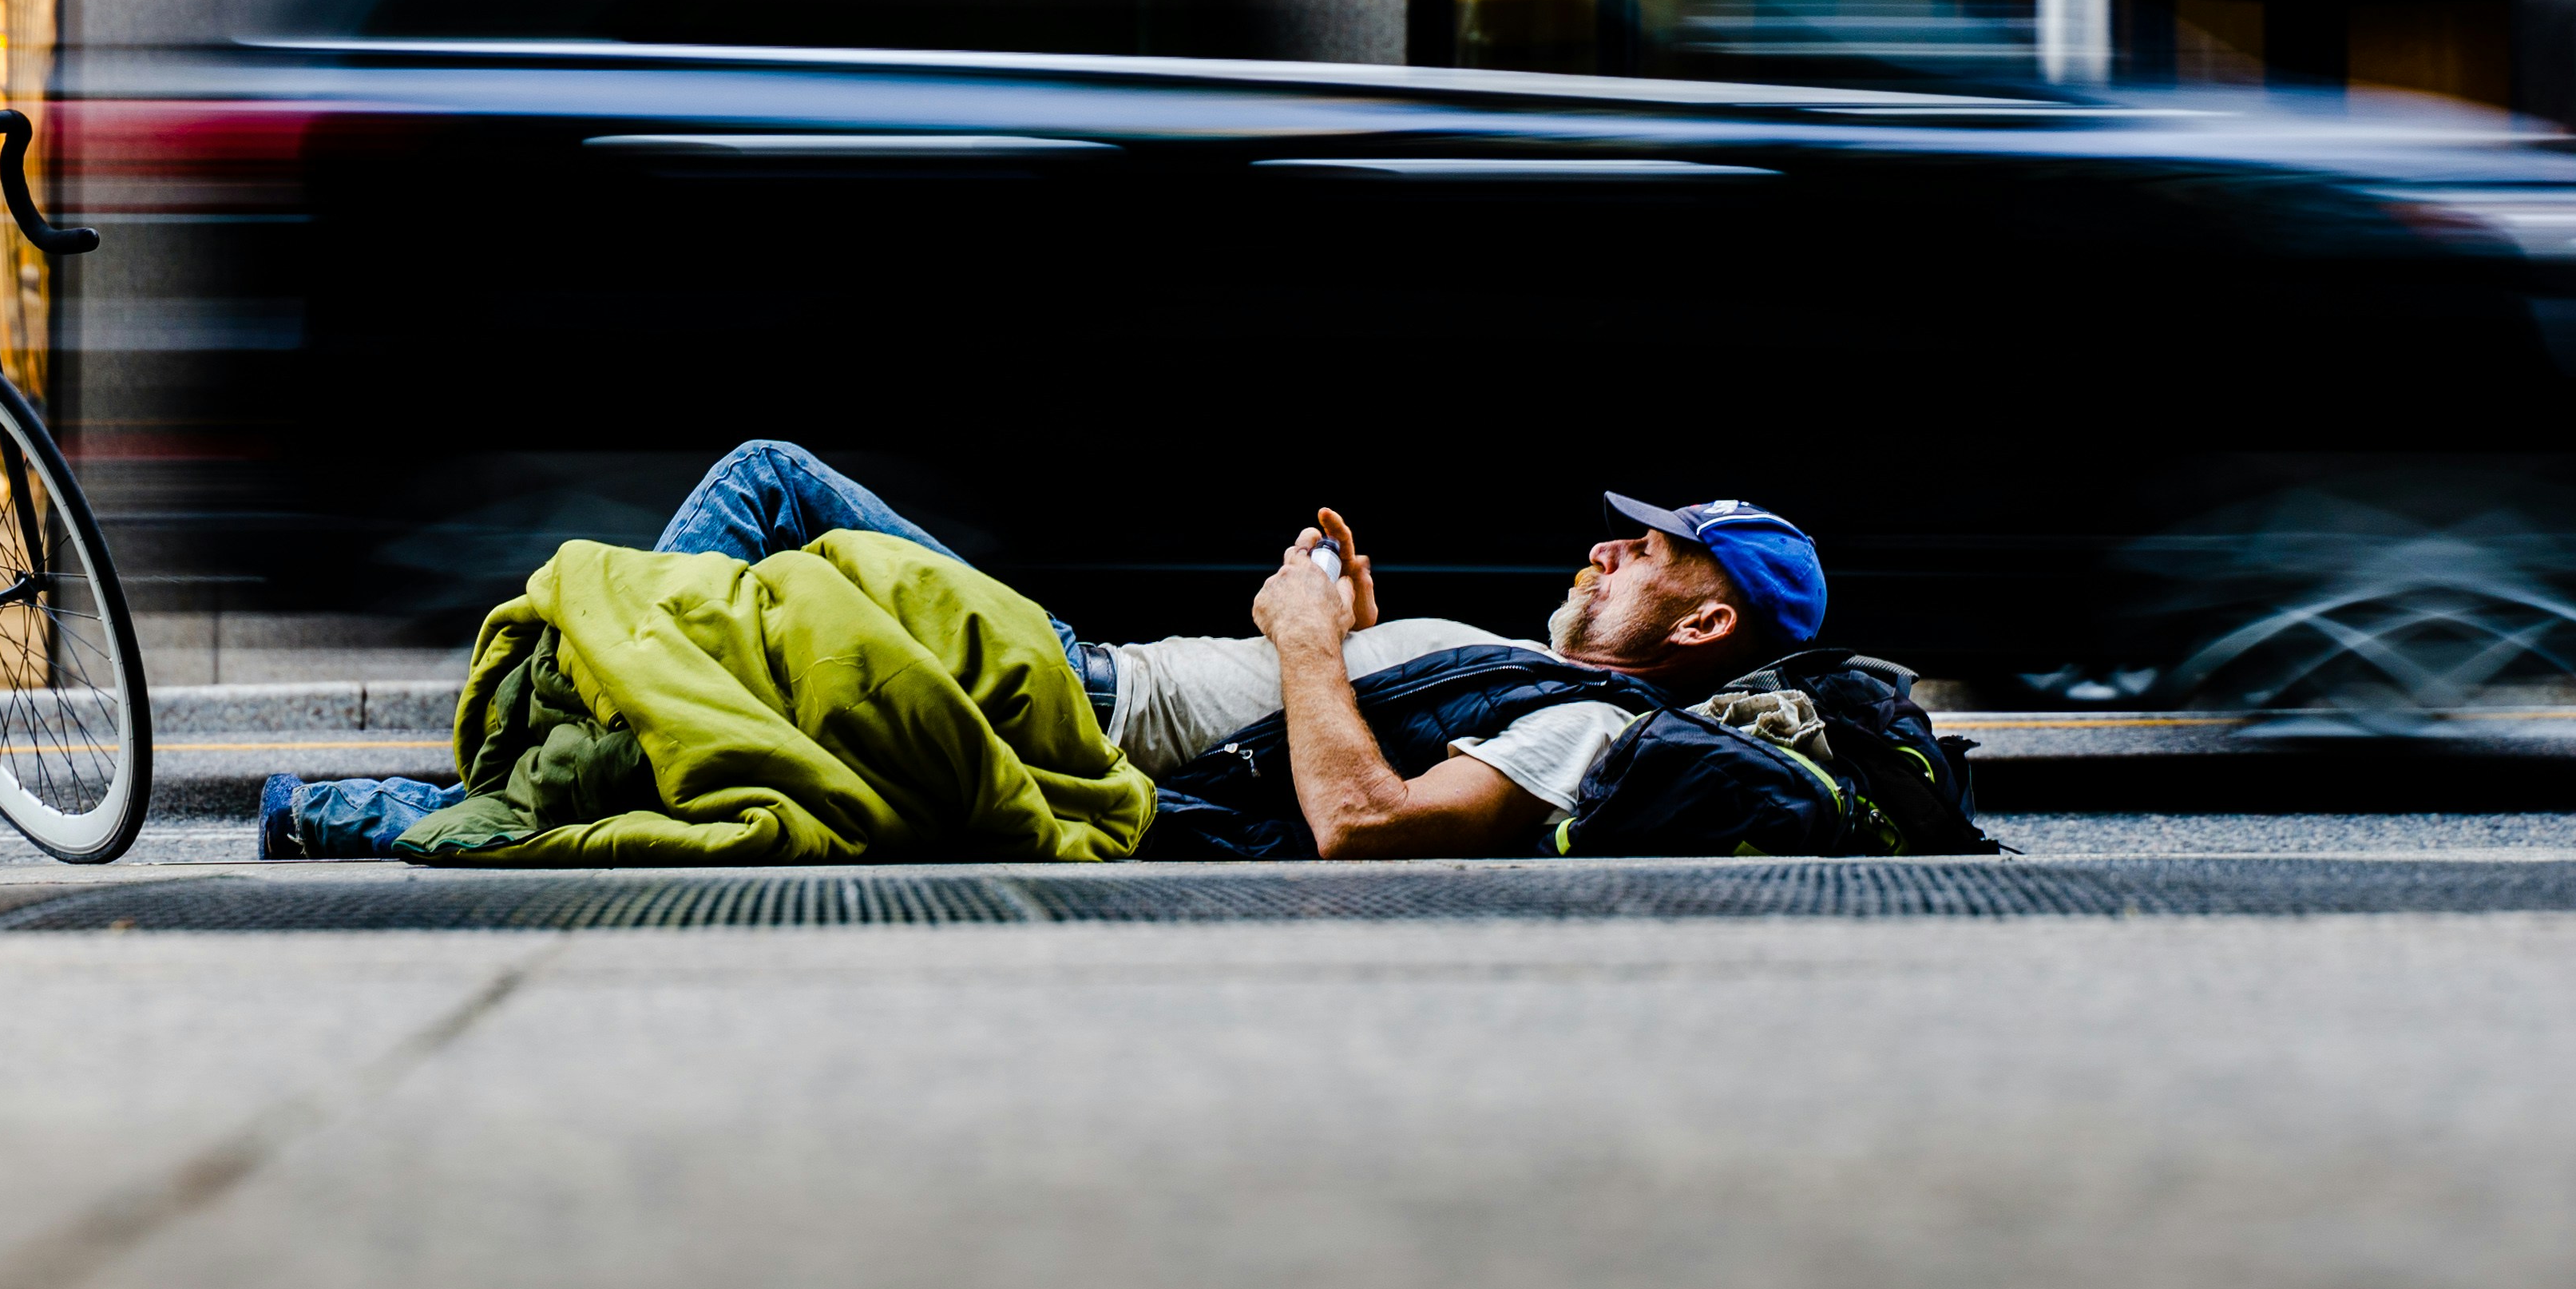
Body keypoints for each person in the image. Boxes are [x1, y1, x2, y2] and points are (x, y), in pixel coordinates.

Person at [262, 440, 1832, 863]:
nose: (1609, 544)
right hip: (1088, 681)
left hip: (1087, 708)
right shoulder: (1524, 665)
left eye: (1652, 550)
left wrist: (1299, 646)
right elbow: (1350, 736)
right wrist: (1343, 638)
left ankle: (596, 710)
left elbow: (1368, 828)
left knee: (767, 492)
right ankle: (400, 798)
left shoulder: (1588, 728)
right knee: (765, 606)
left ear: (1703, 622)